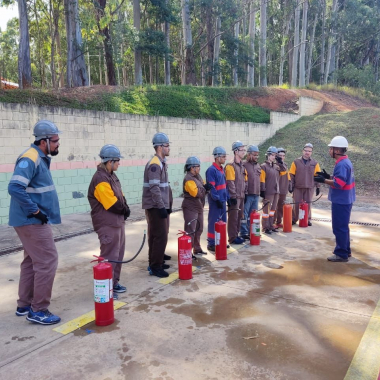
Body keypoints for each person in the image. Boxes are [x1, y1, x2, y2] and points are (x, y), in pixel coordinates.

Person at [8, 120, 62, 325]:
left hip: (29, 220)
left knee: (31, 261)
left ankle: (24, 304)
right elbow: (15, 187)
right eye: (55, 141)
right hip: (31, 221)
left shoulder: (38, 157)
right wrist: (36, 211)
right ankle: (39, 310)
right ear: (44, 141)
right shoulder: (30, 158)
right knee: (47, 261)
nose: (58, 144)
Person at [88, 145, 130, 299]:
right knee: (109, 256)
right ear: (109, 161)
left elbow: (120, 194)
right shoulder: (100, 178)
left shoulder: (111, 175)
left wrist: (125, 207)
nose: (119, 163)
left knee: (118, 255)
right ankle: (106, 288)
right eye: (117, 160)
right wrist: (124, 209)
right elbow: (111, 203)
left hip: (117, 222)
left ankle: (114, 283)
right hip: (107, 223)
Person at [314, 136, 355, 262]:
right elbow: (340, 179)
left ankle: (341, 253)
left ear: (337, 150)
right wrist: (329, 176)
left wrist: (324, 180)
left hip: (341, 200)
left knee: (339, 227)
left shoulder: (341, 164)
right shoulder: (345, 162)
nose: (329, 151)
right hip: (346, 199)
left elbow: (339, 183)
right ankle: (346, 250)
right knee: (344, 226)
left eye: (331, 148)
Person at [142, 132, 172, 278]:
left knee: (159, 235)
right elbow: (154, 188)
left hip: (159, 205)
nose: (169, 148)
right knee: (159, 236)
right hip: (155, 206)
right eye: (167, 145)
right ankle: (155, 266)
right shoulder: (155, 164)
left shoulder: (161, 162)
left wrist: (167, 204)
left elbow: (164, 187)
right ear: (160, 147)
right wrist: (161, 206)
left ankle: (157, 261)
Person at [182, 156, 211, 257]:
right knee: (191, 230)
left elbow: (202, 188)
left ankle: (197, 248)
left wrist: (206, 188)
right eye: (197, 166)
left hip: (198, 206)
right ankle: (188, 252)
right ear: (192, 168)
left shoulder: (198, 177)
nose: (199, 168)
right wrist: (205, 189)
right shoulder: (188, 179)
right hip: (190, 206)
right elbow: (195, 193)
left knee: (199, 228)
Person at [289, 143, 321, 226]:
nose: (307, 152)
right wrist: (291, 185)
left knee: (308, 204)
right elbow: (291, 174)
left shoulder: (315, 163)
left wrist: (318, 186)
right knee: (296, 203)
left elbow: (318, 175)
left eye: (309, 151)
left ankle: (307, 219)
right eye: (306, 150)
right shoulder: (296, 162)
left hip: (309, 187)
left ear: (311, 152)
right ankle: (294, 219)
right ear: (303, 151)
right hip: (298, 187)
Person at [206, 146, 229, 252]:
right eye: (223, 157)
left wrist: (227, 198)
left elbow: (224, 185)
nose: (225, 159)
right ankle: (211, 243)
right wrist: (217, 199)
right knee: (214, 222)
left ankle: (222, 241)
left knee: (223, 221)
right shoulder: (211, 170)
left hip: (222, 200)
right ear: (217, 157)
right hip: (216, 202)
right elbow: (212, 187)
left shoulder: (221, 169)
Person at [225, 141, 247, 244]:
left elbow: (244, 181)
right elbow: (230, 182)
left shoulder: (242, 165)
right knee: (233, 217)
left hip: (241, 195)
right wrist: (233, 196)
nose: (244, 152)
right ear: (236, 151)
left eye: (244, 150)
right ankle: (232, 237)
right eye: (242, 150)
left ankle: (236, 235)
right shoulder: (230, 166)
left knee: (239, 216)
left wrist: (244, 193)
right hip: (235, 197)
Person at [260, 146, 283, 234]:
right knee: (266, 211)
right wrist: (262, 190)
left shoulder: (276, 167)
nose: (274, 157)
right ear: (268, 155)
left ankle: (270, 225)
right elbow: (262, 179)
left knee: (273, 210)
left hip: (276, 191)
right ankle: (265, 227)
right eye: (272, 155)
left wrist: (280, 162)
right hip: (268, 191)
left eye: (275, 155)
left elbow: (284, 171)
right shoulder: (263, 166)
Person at [240, 145, 261, 239]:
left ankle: (251, 231)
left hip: (256, 194)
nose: (256, 157)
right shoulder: (243, 165)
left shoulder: (258, 165)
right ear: (248, 155)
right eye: (254, 154)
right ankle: (243, 232)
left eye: (257, 155)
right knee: (244, 214)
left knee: (253, 214)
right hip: (247, 194)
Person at [274, 147, 291, 228]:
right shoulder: (275, 165)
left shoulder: (285, 164)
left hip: (284, 188)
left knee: (281, 206)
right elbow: (282, 171)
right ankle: (272, 222)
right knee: (274, 206)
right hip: (277, 188)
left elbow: (287, 175)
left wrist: (290, 184)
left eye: (283, 156)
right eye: (280, 155)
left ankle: (278, 221)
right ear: (276, 156)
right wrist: (279, 163)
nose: (282, 157)